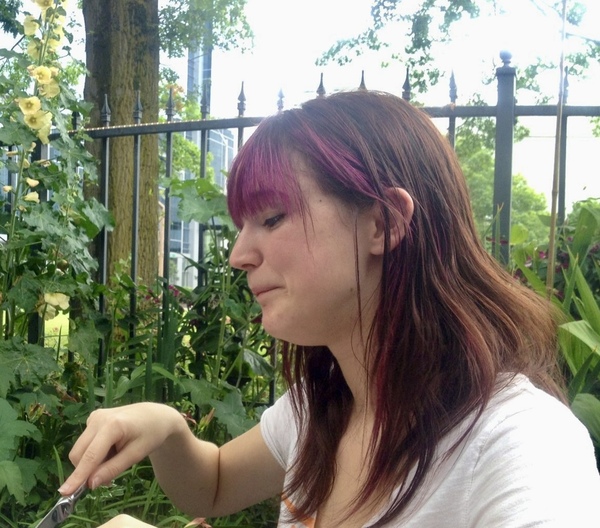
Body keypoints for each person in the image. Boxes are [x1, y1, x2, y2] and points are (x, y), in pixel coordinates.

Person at [59, 90, 600, 528]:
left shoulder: (519, 445)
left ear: (383, 222)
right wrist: (167, 427)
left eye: (271, 218)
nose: (239, 254)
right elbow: (216, 483)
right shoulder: (323, 408)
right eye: (240, 226)